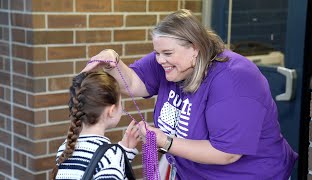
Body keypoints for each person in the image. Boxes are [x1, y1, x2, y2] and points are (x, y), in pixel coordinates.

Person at [82, 9, 298, 180]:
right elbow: (133, 83)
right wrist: (113, 63)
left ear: (195, 48)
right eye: (157, 52)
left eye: (166, 53)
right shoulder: (169, 62)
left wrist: (165, 141)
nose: (159, 60)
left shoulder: (234, 80)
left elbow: (227, 153)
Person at [51, 71, 140, 180]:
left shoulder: (65, 149)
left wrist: (124, 154)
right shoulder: (110, 157)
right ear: (111, 111)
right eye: (120, 103)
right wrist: (118, 157)